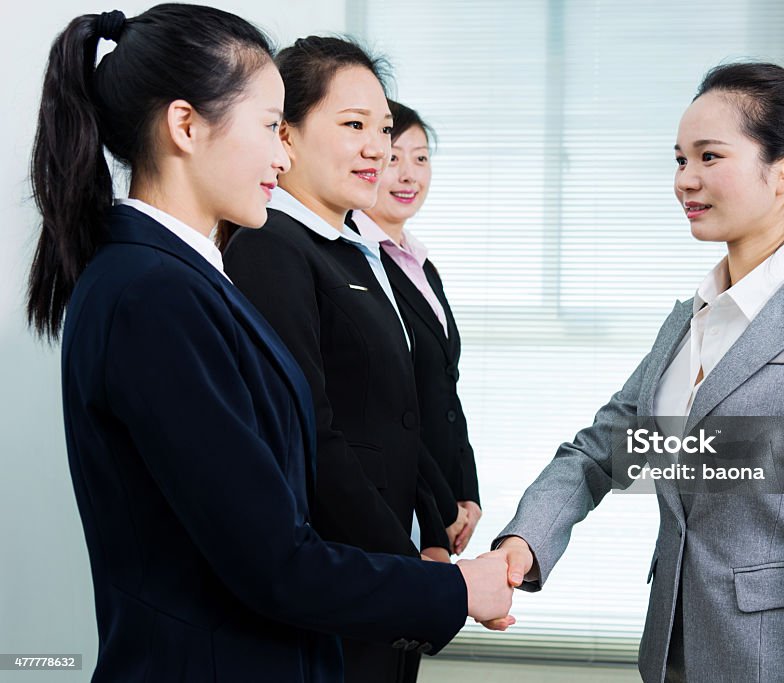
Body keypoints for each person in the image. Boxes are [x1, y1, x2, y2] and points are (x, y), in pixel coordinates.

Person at [25, 6, 510, 681]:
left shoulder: (187, 278)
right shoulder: (150, 295)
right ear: (186, 125)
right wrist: (455, 590)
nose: (282, 157)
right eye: (268, 128)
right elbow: (274, 561)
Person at [484, 62, 784, 682]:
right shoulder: (689, 320)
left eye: (710, 157)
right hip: (671, 653)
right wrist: (523, 544)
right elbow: (602, 449)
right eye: (680, 160)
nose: (686, 180)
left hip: (772, 663)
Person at [221, 38, 464, 683]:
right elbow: (313, 431)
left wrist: (433, 526)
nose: (378, 149)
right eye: (353, 126)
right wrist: (409, 570)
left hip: (385, 568)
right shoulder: (270, 245)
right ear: (287, 136)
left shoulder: (355, 249)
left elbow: (399, 408)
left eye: (383, 129)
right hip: (341, 577)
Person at [353, 100, 482, 555]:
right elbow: (389, 409)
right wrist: (439, 511)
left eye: (421, 158)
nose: (409, 174)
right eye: (393, 158)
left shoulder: (420, 263)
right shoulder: (358, 266)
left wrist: (466, 487)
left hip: (441, 498)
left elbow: (445, 384)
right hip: (400, 505)